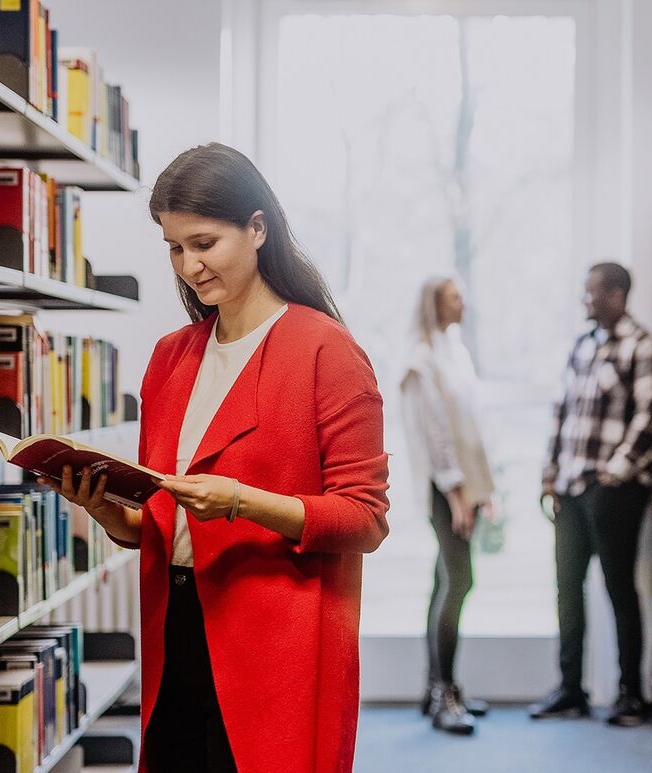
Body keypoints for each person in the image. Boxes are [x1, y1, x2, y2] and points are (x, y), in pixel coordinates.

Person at [41, 142, 390, 773]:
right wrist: (108, 513)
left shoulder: (326, 352)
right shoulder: (172, 357)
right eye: (175, 248)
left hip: (275, 633)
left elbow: (364, 519)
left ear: (258, 228)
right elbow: (165, 521)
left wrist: (238, 501)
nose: (189, 266)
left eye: (204, 243)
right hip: (177, 619)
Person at [529, 262, 652, 728]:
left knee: (619, 590)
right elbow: (560, 415)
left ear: (618, 295)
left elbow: (650, 418)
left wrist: (615, 473)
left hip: (613, 493)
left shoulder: (640, 345)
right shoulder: (581, 346)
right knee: (567, 591)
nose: (585, 301)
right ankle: (570, 690)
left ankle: (630, 694)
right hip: (569, 490)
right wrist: (549, 476)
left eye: (593, 293)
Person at [400, 276, 496, 736]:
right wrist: (458, 492)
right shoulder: (422, 359)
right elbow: (434, 435)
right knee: (460, 580)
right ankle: (444, 694)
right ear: (435, 305)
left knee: (445, 579)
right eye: (457, 297)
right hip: (445, 489)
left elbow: (469, 425)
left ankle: (437, 687)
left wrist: (483, 489)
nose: (465, 302)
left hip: (463, 487)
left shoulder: (453, 350)